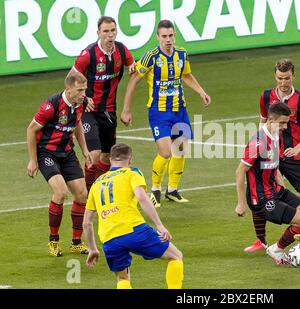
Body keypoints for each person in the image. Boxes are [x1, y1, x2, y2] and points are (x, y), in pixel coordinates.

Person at [120, 19, 211, 207]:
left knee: (179, 150)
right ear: (157, 37)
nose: (168, 40)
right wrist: (126, 109)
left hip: (179, 110)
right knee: (165, 152)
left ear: (174, 35)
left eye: (170, 35)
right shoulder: (151, 57)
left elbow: (186, 75)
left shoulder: (181, 54)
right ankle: (154, 190)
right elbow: (133, 81)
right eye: (164, 36)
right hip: (158, 112)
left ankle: (172, 190)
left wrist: (201, 91)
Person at [244, 58, 300, 253]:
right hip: (273, 154)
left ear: (293, 76)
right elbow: (263, 121)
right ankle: (261, 241)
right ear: (275, 76)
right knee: (261, 192)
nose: (283, 82)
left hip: (298, 158)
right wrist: (261, 142)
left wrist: (297, 149)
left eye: (287, 78)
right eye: (280, 78)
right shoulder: (265, 97)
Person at [235, 102, 300, 265]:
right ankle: (276, 249)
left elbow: (274, 167)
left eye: (287, 123)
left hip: (276, 191)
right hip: (262, 199)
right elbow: (240, 171)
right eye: (282, 123)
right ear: (270, 120)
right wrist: (241, 203)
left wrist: (284, 192)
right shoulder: (258, 142)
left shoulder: (275, 136)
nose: (285, 127)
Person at [83, 143, 184, 289]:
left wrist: (92, 248)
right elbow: (142, 198)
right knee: (175, 256)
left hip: (109, 239)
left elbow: (87, 222)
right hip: (134, 230)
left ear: (110, 160)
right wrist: (159, 225)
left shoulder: (96, 184)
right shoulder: (132, 173)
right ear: (129, 160)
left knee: (122, 278)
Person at [26, 71, 93, 257]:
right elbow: (31, 130)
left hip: (67, 152)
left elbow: (77, 124)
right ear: (68, 89)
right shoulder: (51, 106)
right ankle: (53, 241)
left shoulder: (82, 103)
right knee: (60, 192)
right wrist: (33, 160)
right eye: (79, 90)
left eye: (84, 90)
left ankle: (76, 242)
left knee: (82, 194)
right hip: (47, 153)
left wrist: (85, 150)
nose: (83, 94)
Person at [71, 16, 136, 193]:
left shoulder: (122, 51)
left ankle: (99, 189)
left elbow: (134, 72)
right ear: (98, 33)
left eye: (113, 31)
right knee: (94, 153)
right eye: (106, 31)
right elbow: (70, 79)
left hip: (109, 111)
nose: (110, 35)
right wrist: (83, 97)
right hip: (88, 110)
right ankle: (87, 192)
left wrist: (126, 109)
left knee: (107, 157)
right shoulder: (89, 54)